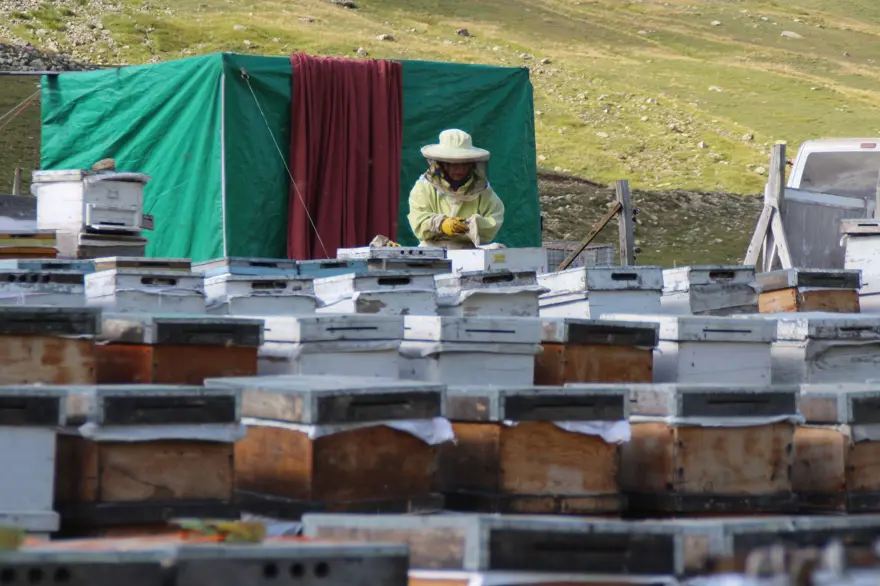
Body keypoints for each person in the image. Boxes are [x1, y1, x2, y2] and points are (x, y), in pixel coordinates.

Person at [407, 129, 505, 249]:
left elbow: (495, 217)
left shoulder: (482, 191)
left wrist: (471, 225)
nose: (460, 170)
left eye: (464, 164)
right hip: (433, 253)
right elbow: (418, 222)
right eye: (454, 164)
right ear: (441, 163)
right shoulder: (423, 188)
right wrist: (441, 224)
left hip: (470, 253)